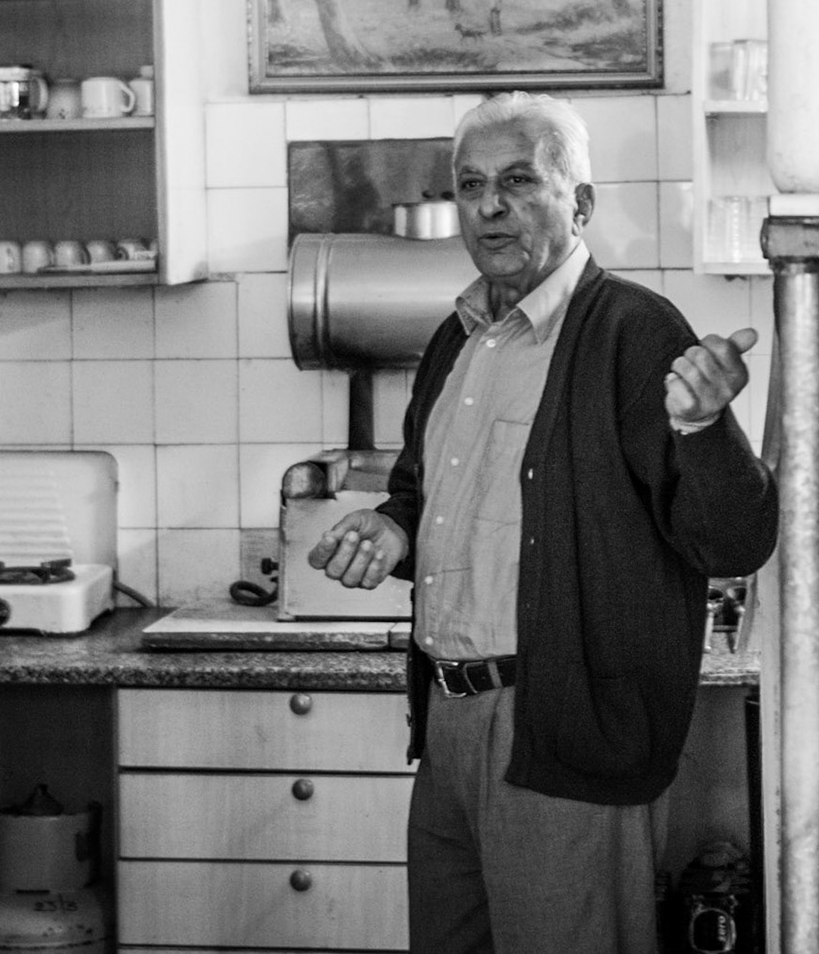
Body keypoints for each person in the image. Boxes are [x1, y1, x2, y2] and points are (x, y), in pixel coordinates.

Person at [310, 91, 778, 954]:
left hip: (564, 725)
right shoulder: (458, 338)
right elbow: (420, 489)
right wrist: (394, 528)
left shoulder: (634, 331)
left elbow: (735, 541)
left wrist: (707, 428)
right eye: (472, 185)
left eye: (520, 181)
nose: (490, 206)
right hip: (447, 723)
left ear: (581, 203)